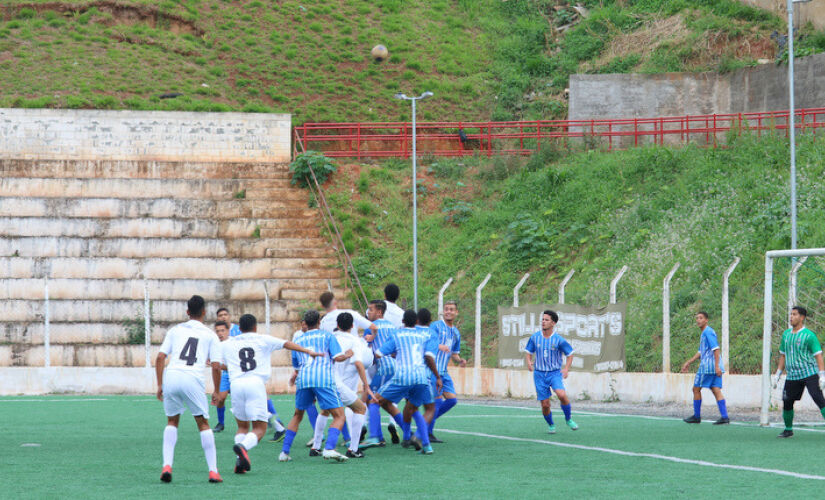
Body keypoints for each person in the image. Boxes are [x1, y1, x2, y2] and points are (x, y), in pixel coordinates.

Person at [217, 313, 320, 474]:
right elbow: (287, 344)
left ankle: (239, 462)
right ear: (255, 327)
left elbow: (220, 365)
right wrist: (307, 351)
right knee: (260, 428)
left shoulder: (228, 343)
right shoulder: (262, 339)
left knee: (242, 426)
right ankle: (243, 447)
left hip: (235, 385)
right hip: (255, 384)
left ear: (239, 328)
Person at [155, 295, 223, 483]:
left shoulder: (175, 330)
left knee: (172, 421)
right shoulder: (210, 335)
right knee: (203, 424)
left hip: (172, 376)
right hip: (192, 378)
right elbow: (216, 366)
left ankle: (167, 466)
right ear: (204, 312)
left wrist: (160, 384)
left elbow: (160, 358)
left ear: (187, 312)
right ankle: (213, 471)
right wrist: (217, 391)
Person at [279, 310, 350, 462]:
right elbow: (338, 358)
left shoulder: (299, 340)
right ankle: (329, 448)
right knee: (339, 415)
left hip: (304, 380)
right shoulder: (327, 336)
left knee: (297, 415)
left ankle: (284, 452)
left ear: (306, 322)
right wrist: (348, 354)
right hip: (323, 379)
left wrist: (294, 377)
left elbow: (297, 366)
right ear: (319, 321)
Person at [374, 309, 442, 455]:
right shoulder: (424, 336)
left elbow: (379, 353)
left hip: (403, 376)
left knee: (375, 400)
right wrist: (438, 376)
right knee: (421, 408)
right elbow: (427, 356)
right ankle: (424, 444)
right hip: (422, 377)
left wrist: (395, 354)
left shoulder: (397, 334)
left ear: (403, 321)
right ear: (416, 321)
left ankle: (374, 436)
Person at [214, 307, 286, 440]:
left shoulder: (237, 333)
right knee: (221, 398)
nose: (223, 317)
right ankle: (221, 423)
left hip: (242, 373)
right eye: (220, 315)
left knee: (261, 402)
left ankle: (276, 423)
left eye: (225, 314)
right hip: (229, 374)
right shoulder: (217, 340)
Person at [310, 313, 375, 458]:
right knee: (360, 408)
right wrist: (366, 385)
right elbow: (358, 363)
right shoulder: (354, 340)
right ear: (353, 326)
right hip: (337, 383)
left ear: (337, 325)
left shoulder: (328, 337)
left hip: (323, 381)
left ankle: (315, 447)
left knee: (325, 410)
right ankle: (354, 449)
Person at [772, 306, 825, 438]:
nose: (791, 317)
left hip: (809, 373)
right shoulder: (786, 335)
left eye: (794, 314)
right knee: (787, 402)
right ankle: (788, 430)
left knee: (819, 399)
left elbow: (818, 355)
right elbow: (783, 356)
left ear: (802, 317)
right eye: (790, 314)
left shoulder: (809, 335)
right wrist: (778, 373)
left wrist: (822, 375)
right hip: (792, 376)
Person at [524, 310, 578, 434]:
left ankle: (568, 419)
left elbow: (570, 354)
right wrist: (528, 361)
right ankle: (551, 425)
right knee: (545, 404)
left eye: (546, 320)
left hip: (554, 373)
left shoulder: (559, 340)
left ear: (553, 323)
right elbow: (528, 351)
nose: (543, 322)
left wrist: (566, 368)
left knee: (561, 395)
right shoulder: (535, 337)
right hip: (539, 374)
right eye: (542, 319)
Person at [426, 300, 467, 443]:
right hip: (432, 370)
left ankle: (426, 421)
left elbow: (454, 353)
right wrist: (438, 345)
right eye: (446, 309)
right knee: (436, 402)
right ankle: (428, 432)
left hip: (444, 371)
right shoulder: (435, 326)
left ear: (456, 313)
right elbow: (426, 342)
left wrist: (459, 360)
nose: (448, 311)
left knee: (452, 400)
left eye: (451, 309)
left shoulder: (456, 332)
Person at [361, 299, 400, 448]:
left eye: (370, 309)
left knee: (373, 400)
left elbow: (367, 352)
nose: (368, 312)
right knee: (387, 403)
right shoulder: (393, 327)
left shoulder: (370, 327)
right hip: (395, 367)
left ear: (379, 311)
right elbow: (396, 350)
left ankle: (375, 436)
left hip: (384, 368)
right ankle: (409, 434)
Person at [680, 312, 729, 425]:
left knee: (696, 389)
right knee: (716, 389)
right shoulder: (704, 333)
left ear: (706, 320)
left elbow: (716, 349)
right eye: (697, 318)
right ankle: (725, 417)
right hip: (714, 366)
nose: (698, 320)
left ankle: (697, 416)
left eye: (701, 318)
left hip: (708, 367)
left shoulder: (708, 332)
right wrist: (689, 362)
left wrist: (716, 366)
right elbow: (701, 352)